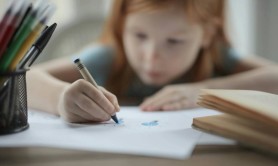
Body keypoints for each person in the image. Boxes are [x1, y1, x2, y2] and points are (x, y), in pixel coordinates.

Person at [27, 0, 278, 123]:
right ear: (122, 25)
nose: (150, 57)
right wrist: (60, 99)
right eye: (139, 36)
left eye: (174, 42)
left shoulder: (216, 57)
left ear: (208, 35)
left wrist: (203, 93)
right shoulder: (110, 58)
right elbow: (23, 77)